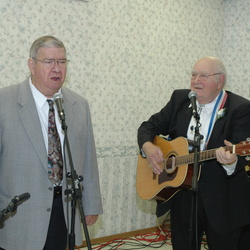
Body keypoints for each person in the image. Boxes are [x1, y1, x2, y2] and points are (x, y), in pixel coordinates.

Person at [0, 35, 103, 250]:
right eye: (48, 62)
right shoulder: (4, 102)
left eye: (62, 62)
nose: (57, 68)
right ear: (31, 65)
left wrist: (91, 203)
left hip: (63, 210)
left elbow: (88, 159)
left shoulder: (78, 105)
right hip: (17, 213)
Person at [137, 56, 250, 250]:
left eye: (203, 75)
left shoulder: (240, 108)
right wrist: (148, 146)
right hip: (182, 194)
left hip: (222, 199)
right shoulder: (180, 99)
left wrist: (230, 161)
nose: (196, 80)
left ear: (220, 80)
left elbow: (239, 156)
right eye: (194, 74)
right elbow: (148, 126)